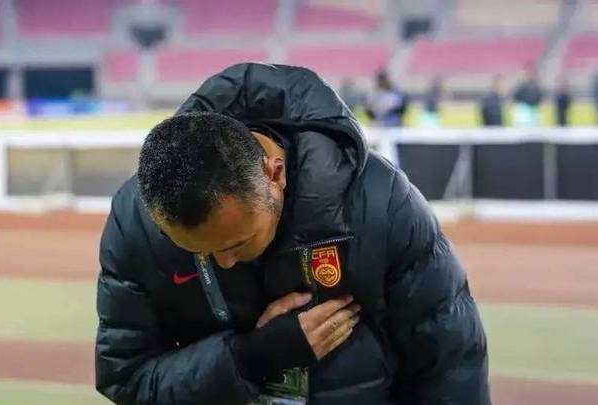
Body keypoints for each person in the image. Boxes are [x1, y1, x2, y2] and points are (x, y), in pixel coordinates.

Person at [95, 63, 490, 405]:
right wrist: (250, 358)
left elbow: (451, 367)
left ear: (275, 174)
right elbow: (126, 377)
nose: (223, 263)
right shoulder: (137, 220)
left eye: (237, 243)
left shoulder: (380, 203)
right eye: (196, 252)